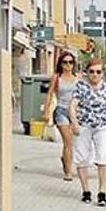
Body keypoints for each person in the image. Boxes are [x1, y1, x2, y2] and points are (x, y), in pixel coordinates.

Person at [69, 58, 106, 207]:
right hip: (84, 125)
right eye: (92, 71)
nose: (95, 75)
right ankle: (86, 191)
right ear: (87, 72)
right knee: (82, 157)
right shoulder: (81, 86)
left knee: (103, 157)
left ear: (102, 74)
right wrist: (74, 123)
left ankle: (102, 192)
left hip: (103, 126)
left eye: (98, 72)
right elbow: (72, 105)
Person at [42, 52, 80, 181]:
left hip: (75, 113)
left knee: (72, 143)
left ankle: (66, 159)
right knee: (68, 141)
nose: (68, 65)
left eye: (70, 62)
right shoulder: (57, 77)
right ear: (61, 64)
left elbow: (82, 96)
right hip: (61, 111)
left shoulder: (77, 78)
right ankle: (68, 172)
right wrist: (46, 112)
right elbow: (49, 94)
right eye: (65, 62)